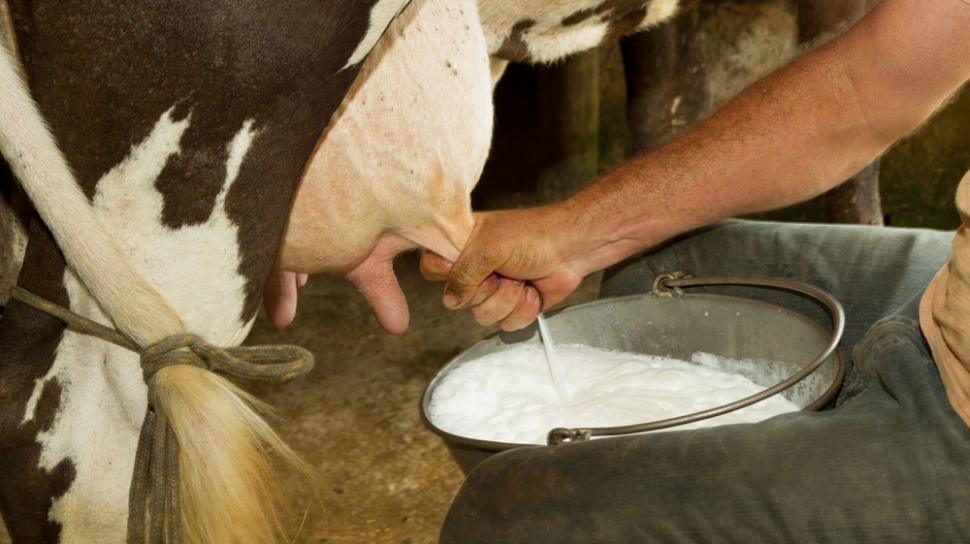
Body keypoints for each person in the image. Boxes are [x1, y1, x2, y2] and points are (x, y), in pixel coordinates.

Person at [419, 0, 970, 541]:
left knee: (505, 513)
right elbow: (860, 87)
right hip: (945, 288)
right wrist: (570, 235)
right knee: (655, 274)